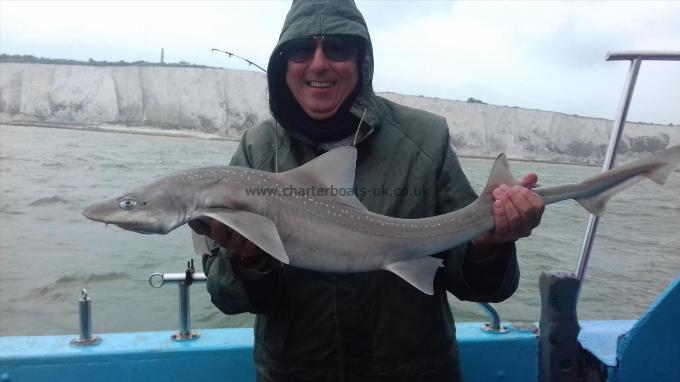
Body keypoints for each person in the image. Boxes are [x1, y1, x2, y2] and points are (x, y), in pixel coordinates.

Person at [189, 0, 544, 380]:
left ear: (362, 59)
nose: (319, 63)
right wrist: (247, 262)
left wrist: (490, 246)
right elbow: (226, 298)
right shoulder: (258, 150)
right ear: (282, 65)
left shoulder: (424, 141)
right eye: (301, 50)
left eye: (338, 48)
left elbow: (480, 285)